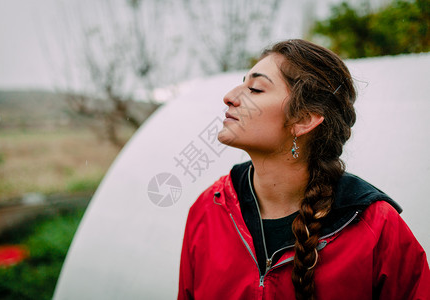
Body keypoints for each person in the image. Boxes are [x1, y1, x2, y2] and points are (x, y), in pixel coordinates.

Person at [177, 39, 430, 300]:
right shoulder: (209, 209)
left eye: (255, 89)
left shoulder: (376, 227)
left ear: (304, 119)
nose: (229, 97)